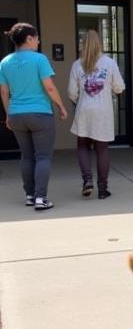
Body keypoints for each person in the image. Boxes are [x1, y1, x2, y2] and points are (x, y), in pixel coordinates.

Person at [0, 22, 68, 211]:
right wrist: (61, 105)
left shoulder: (4, 62)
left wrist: (8, 114)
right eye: (37, 38)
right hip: (40, 114)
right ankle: (41, 198)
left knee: (27, 157)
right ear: (29, 38)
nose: (38, 41)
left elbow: (4, 92)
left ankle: (30, 195)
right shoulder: (39, 59)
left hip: (16, 114)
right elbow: (50, 87)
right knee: (43, 157)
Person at [68, 29, 125, 199]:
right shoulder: (109, 63)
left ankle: (87, 180)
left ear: (82, 44)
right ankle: (102, 189)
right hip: (103, 111)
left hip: (84, 109)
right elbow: (119, 87)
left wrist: (79, 98)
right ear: (100, 43)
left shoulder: (77, 64)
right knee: (102, 149)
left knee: (82, 145)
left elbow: (72, 92)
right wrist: (110, 90)